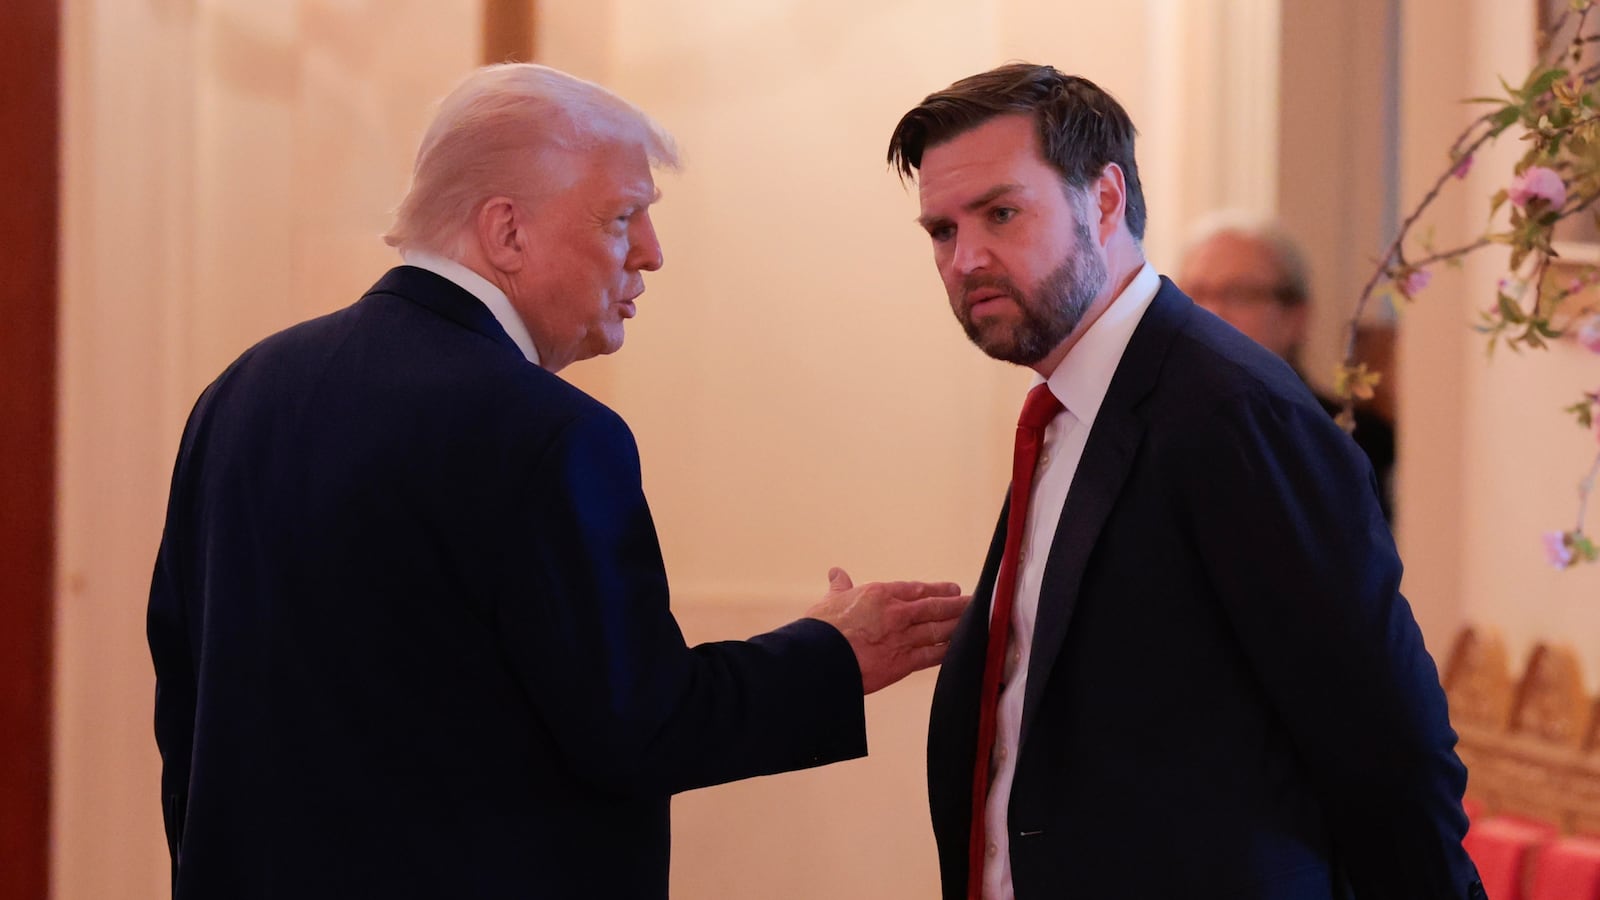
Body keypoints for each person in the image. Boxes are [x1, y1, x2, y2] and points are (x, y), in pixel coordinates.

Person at [147, 63, 969, 899]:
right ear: (507, 232)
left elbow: (186, 707)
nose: (651, 253)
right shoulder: (548, 432)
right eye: (623, 217)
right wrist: (831, 656)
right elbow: (637, 726)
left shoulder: (242, 392)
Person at [886, 63, 1482, 899]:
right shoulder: (1071, 407)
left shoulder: (1231, 410)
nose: (966, 258)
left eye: (1001, 213)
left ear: (1104, 199)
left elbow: (1387, 742)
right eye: (942, 231)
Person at [1177, 213, 1397, 520]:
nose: (1211, 313)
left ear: (1295, 317)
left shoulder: (1353, 443)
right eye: (1194, 294)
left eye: (1239, 294)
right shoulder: (1142, 432)